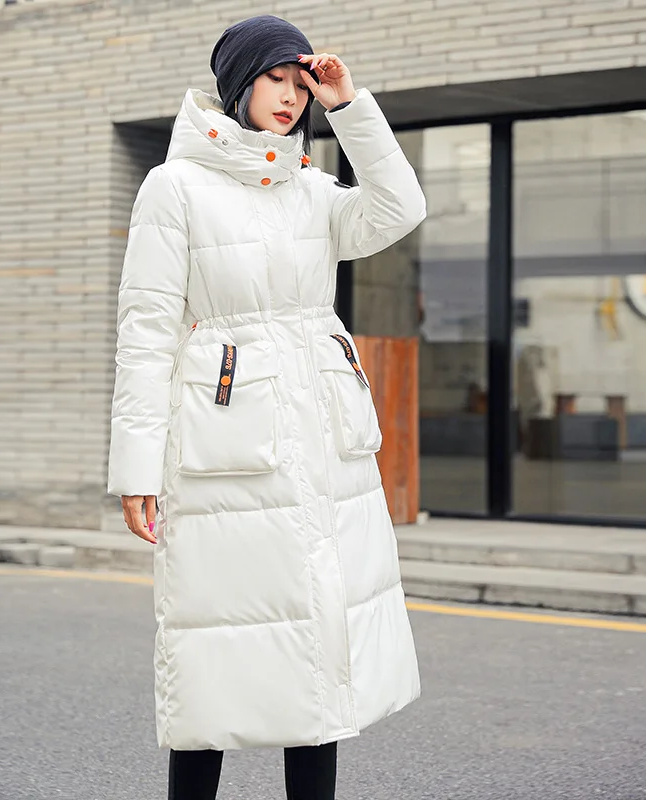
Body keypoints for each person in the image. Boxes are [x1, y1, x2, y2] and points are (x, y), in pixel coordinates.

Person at [107, 14, 427, 800]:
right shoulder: (174, 186)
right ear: (238, 84)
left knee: (321, 643)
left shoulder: (312, 190)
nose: (290, 98)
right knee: (215, 650)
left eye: (300, 85)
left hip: (322, 440)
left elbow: (399, 208)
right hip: (228, 443)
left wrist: (349, 105)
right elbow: (147, 329)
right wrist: (136, 467)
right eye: (274, 80)